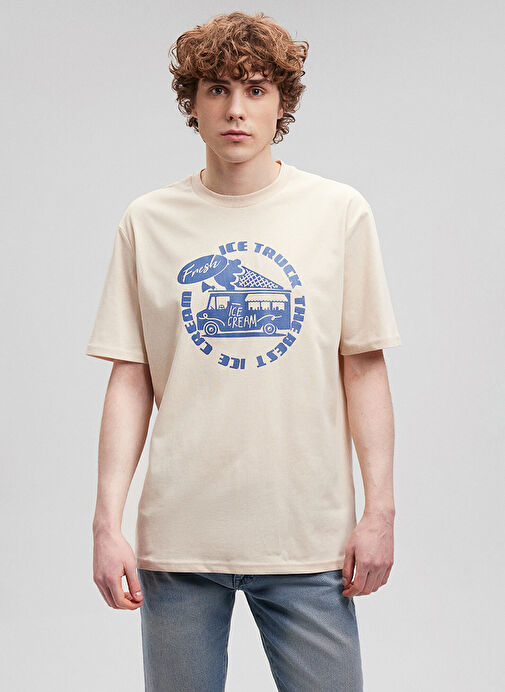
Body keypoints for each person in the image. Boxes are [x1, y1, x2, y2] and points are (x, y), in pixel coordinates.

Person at [86, 11, 402, 692]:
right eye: (218, 89)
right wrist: (106, 523)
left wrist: (379, 511)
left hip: (308, 539)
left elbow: (363, 367)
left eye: (256, 89)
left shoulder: (338, 212)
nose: (236, 109)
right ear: (193, 104)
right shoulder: (148, 221)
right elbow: (130, 378)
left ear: (281, 103)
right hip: (180, 541)